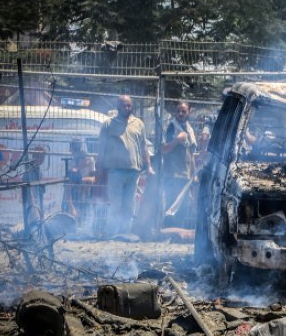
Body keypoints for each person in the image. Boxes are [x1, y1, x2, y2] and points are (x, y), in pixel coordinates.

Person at [97, 95, 154, 236]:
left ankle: (125, 234)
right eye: (123, 105)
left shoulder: (138, 123)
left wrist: (149, 166)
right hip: (115, 172)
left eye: (129, 105)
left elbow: (143, 146)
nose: (126, 108)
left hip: (134, 171)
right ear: (118, 107)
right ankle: (111, 234)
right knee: (115, 205)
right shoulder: (108, 124)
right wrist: (99, 169)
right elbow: (101, 148)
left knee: (129, 205)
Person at [161, 101, 196, 227]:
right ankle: (168, 232)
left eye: (183, 111)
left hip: (185, 176)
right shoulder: (170, 127)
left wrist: (194, 175)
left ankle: (177, 233)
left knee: (183, 207)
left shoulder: (189, 129)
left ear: (188, 112)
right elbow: (164, 149)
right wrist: (177, 140)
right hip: (172, 175)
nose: (180, 114)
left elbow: (191, 154)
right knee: (171, 206)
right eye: (178, 111)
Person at [62, 138, 96, 223]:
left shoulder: (90, 160)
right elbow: (67, 184)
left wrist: (85, 179)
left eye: (74, 151)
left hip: (85, 194)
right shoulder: (71, 163)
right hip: (74, 195)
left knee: (85, 220)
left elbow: (94, 178)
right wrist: (71, 206)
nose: (72, 153)